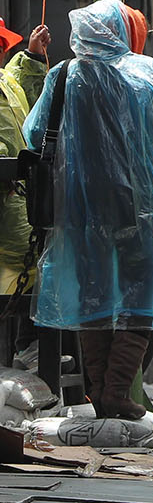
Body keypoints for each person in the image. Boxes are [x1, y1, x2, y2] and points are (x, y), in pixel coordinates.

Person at [24, 0, 153, 420]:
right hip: (140, 206)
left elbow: (33, 132)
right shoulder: (147, 71)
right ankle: (117, 390)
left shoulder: (65, 74)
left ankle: (99, 391)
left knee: (91, 299)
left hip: (80, 211)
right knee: (140, 298)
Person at [0, 19, 52, 296]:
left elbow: (22, 82)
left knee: (29, 278)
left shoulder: (5, 81)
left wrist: (32, 54)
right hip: (11, 196)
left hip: (16, 198)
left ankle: (29, 339)